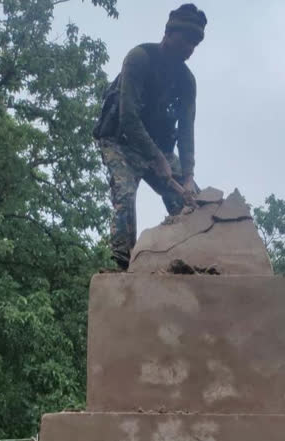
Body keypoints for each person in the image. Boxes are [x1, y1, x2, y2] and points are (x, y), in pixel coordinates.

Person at [93, 4, 207, 270]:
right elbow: (128, 118)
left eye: (194, 44)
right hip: (120, 141)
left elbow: (187, 130)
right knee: (124, 194)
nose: (189, 48)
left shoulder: (186, 81)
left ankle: (194, 258)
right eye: (185, 40)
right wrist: (157, 159)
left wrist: (187, 176)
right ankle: (123, 263)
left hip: (159, 147)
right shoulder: (139, 58)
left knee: (193, 203)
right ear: (168, 33)